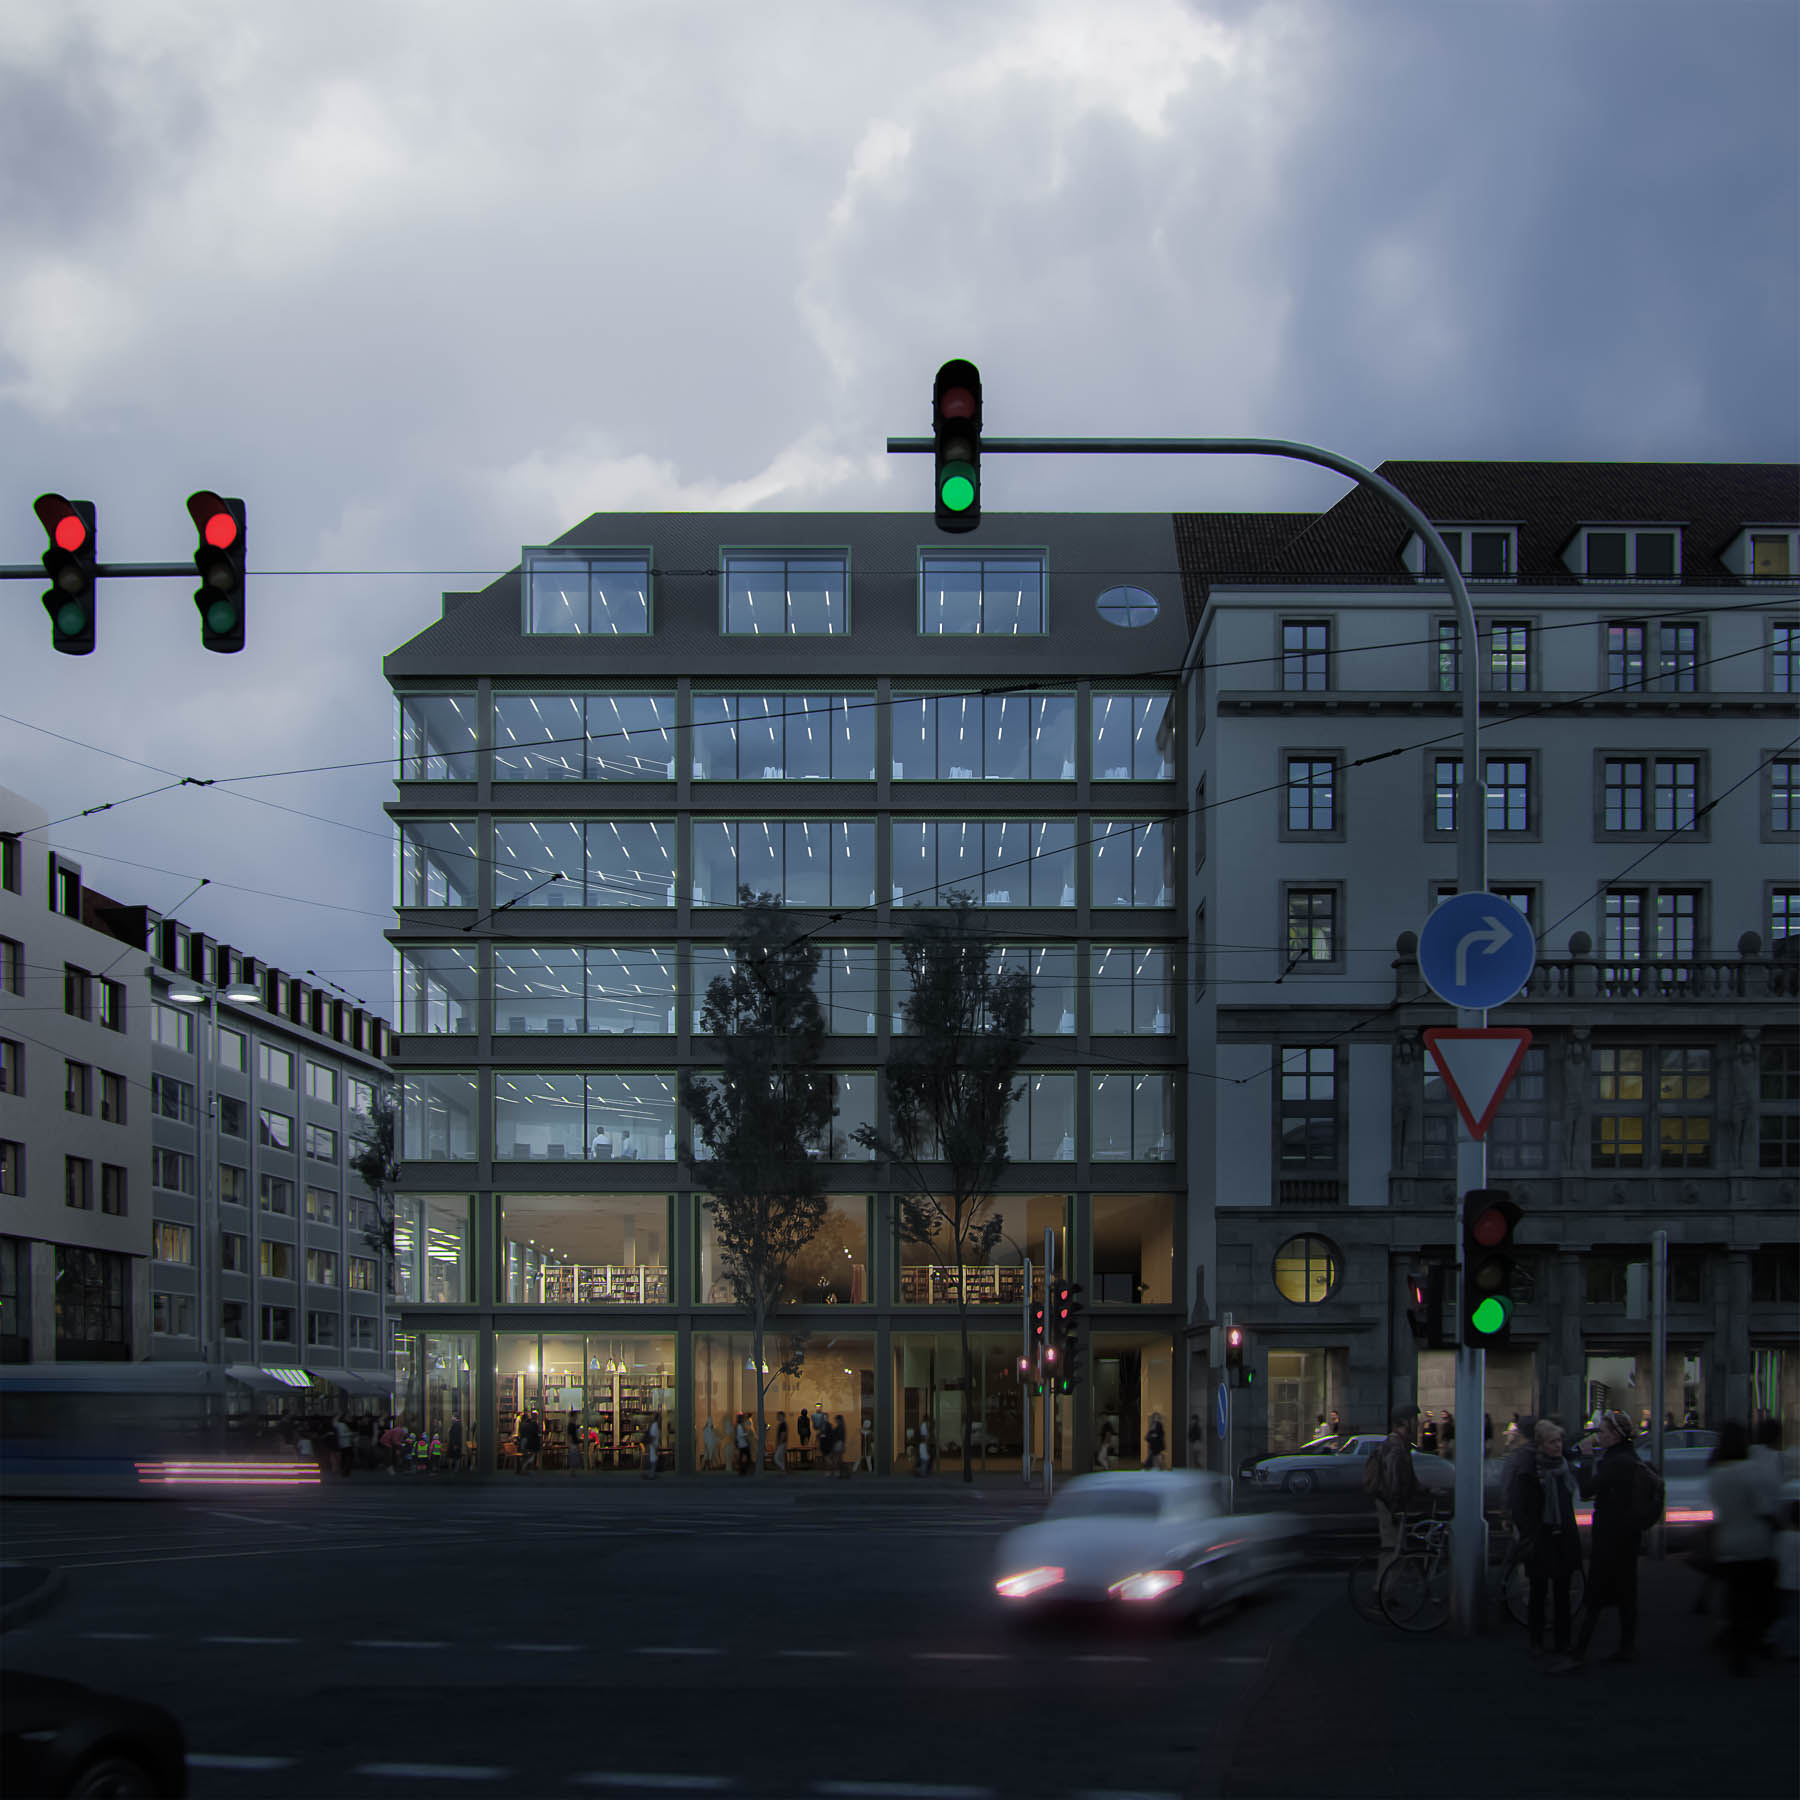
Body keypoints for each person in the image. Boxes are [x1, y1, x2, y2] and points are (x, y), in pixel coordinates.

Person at [1552, 1410, 1646, 1672]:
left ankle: (1579, 1651)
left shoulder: (1614, 1463)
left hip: (1610, 1536)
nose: (1599, 1437)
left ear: (1615, 1435)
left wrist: (1586, 1458)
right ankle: (1627, 1646)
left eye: (1602, 1432)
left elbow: (1586, 1491)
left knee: (1595, 1595)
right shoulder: (1631, 1458)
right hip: (1628, 1535)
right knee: (1627, 1593)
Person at [1507, 1419, 1583, 1658]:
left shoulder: (1564, 1469)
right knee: (1539, 1592)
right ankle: (1536, 1641)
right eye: (1552, 1442)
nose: (1557, 1446)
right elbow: (1521, 1508)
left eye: (1559, 1441)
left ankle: (1563, 1640)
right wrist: (1531, 1533)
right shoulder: (1530, 1473)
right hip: (1541, 1538)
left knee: (1562, 1593)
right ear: (1540, 1444)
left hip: (1562, 1538)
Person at [1710, 1421, 1777, 1675]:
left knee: (1737, 1600)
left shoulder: (1717, 1473)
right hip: (1755, 1541)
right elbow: (1764, 1508)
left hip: (1727, 1541)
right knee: (1761, 1599)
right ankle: (1754, 1643)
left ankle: (1737, 1652)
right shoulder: (1751, 1471)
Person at [1366, 1404, 1426, 1578]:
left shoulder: (1402, 1445)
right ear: (1406, 1422)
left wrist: (1426, 1490)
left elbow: (1409, 1478)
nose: (1418, 1423)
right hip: (1389, 1504)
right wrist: (1395, 1508)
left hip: (1390, 1503)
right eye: (1415, 1419)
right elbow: (1392, 1479)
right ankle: (1381, 1596)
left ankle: (1386, 1595)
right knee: (1392, 1550)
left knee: (1396, 1549)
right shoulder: (1395, 1446)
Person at [642, 1414, 661, 1479]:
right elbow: (653, 1437)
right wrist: (655, 1446)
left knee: (653, 1459)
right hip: (653, 1445)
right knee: (653, 1459)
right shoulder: (655, 1426)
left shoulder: (655, 1426)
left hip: (653, 1445)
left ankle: (651, 1473)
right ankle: (651, 1474)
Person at [833, 1414, 851, 1479]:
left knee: (838, 1460)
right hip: (840, 1444)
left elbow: (838, 1436)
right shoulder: (842, 1426)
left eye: (836, 1420)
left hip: (838, 1444)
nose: (835, 1421)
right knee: (839, 1460)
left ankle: (845, 1472)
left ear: (839, 1420)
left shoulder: (840, 1427)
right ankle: (844, 1473)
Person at [568, 1408, 583, 1472]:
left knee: (574, 1456)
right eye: (576, 1416)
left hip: (574, 1442)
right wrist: (571, 1442)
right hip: (573, 1443)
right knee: (574, 1456)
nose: (576, 1417)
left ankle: (573, 1469)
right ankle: (573, 1469)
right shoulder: (571, 1425)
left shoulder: (572, 1424)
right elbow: (570, 1435)